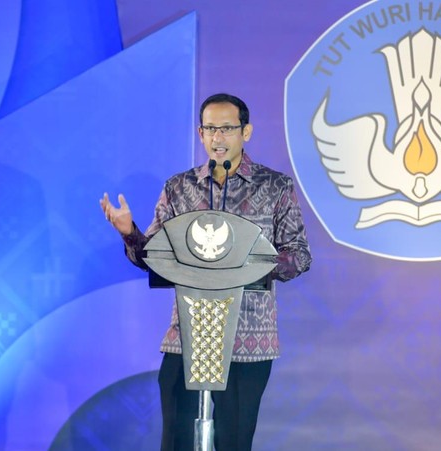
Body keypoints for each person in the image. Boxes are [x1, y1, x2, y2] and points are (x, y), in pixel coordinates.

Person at [100, 93, 311, 451]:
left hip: (247, 339)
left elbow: (299, 255)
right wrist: (129, 232)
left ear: (246, 131)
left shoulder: (275, 186)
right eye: (210, 129)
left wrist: (250, 266)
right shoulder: (179, 187)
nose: (218, 137)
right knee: (176, 441)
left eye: (227, 128)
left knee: (233, 442)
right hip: (187, 335)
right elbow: (153, 256)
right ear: (200, 133)